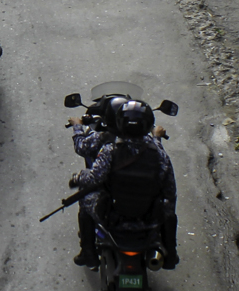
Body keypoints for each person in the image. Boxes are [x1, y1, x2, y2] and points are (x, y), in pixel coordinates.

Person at [68, 96, 178, 269]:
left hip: (112, 218)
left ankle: (88, 252)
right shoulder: (159, 154)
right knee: (169, 207)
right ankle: (170, 253)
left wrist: (78, 177)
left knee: (85, 196)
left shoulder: (110, 151)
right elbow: (170, 191)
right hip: (149, 220)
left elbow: (94, 178)